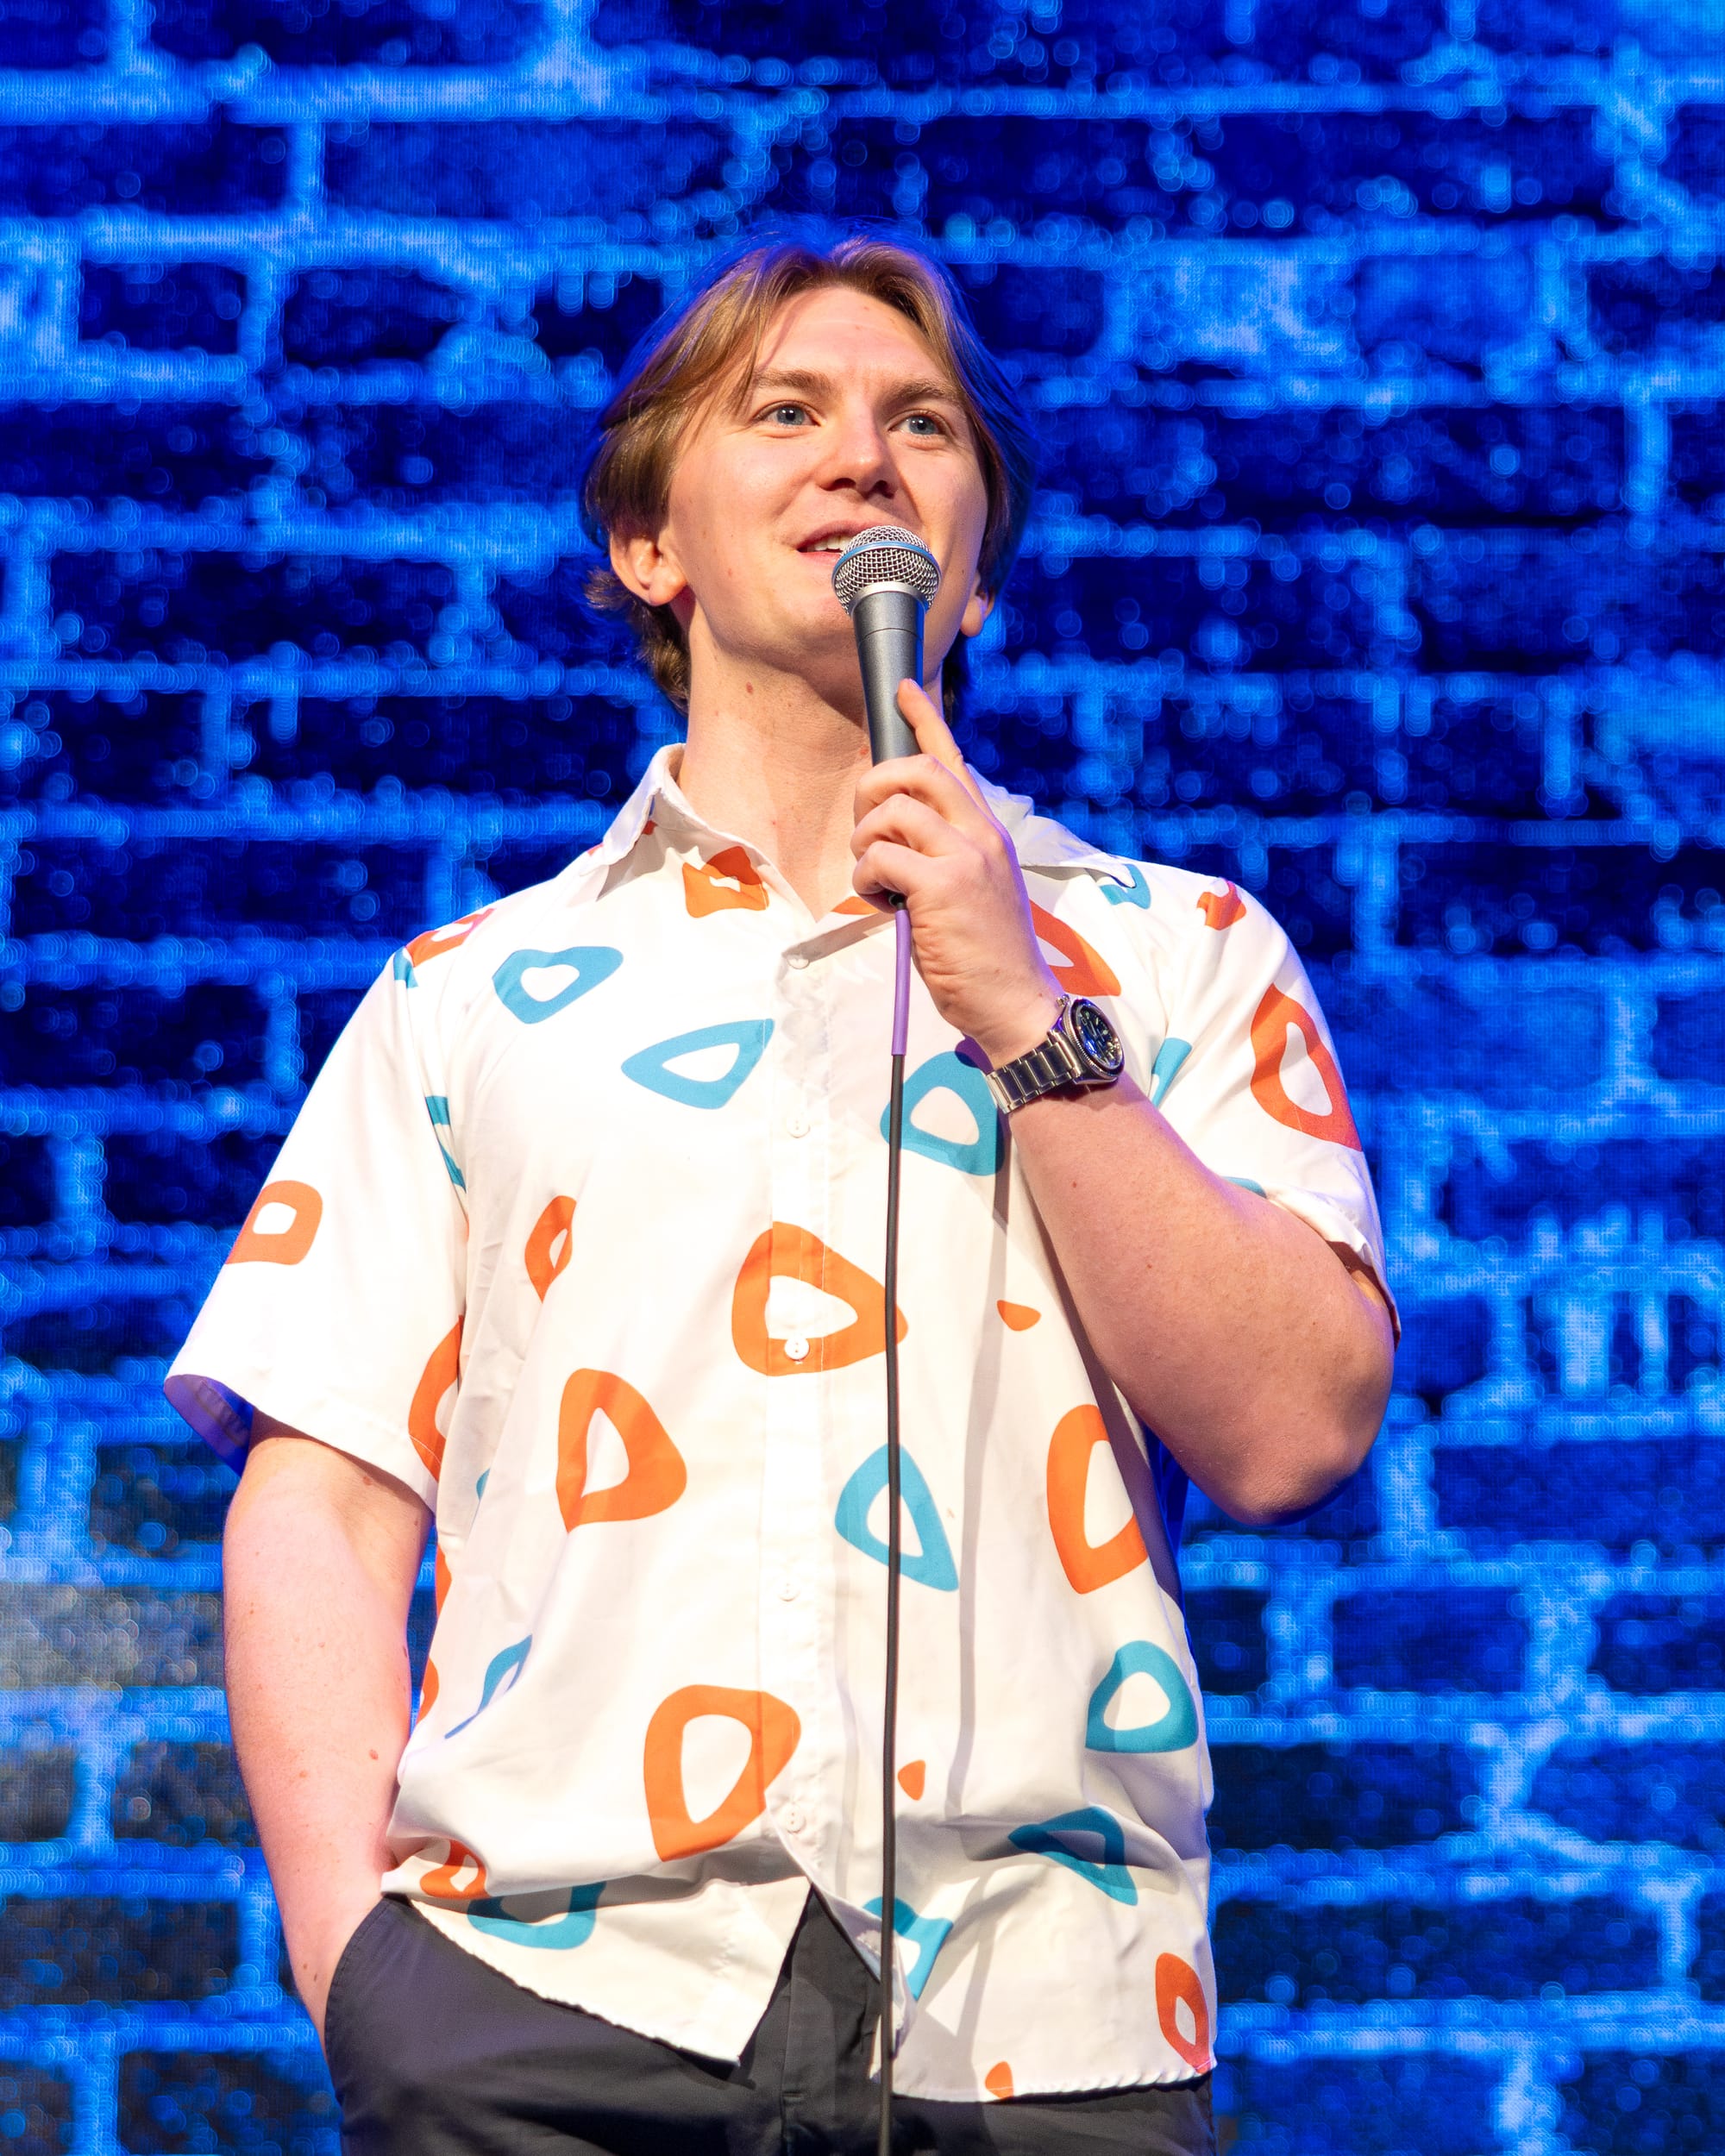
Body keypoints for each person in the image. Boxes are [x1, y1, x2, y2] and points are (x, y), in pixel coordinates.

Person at [168, 233, 1396, 2155]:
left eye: (922, 424)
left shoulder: (1180, 956)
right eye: (786, 412)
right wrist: (365, 1976)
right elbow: (320, 1495)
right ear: (650, 543)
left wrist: (1021, 1008)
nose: (860, 457)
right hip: (551, 2003)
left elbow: (1293, 1427)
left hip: (1042, 2022)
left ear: (975, 573)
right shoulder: (472, 996)